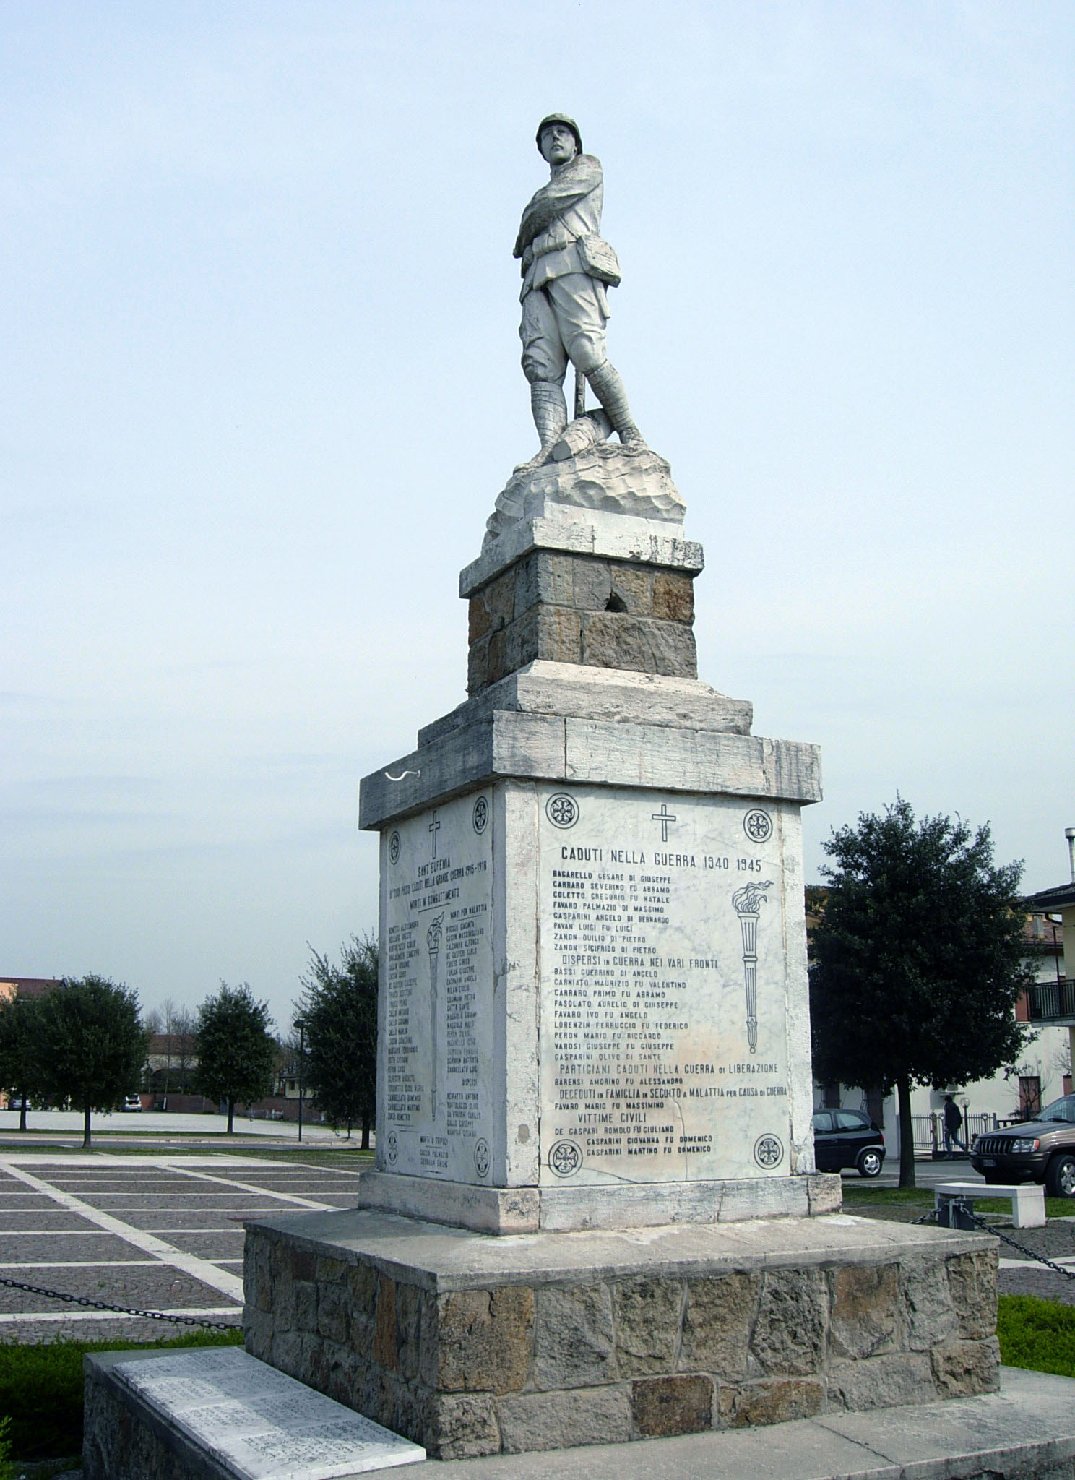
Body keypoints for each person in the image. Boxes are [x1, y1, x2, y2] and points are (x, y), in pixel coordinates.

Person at [513, 113, 644, 470]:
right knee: (541, 366)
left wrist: (527, 221)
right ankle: (549, 447)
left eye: (563, 133)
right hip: (536, 275)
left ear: (575, 143)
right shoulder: (540, 193)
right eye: (548, 135)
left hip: (572, 264)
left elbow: (545, 207)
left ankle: (630, 432)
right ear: (539, 148)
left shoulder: (588, 168)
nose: (555, 138)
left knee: (587, 351)